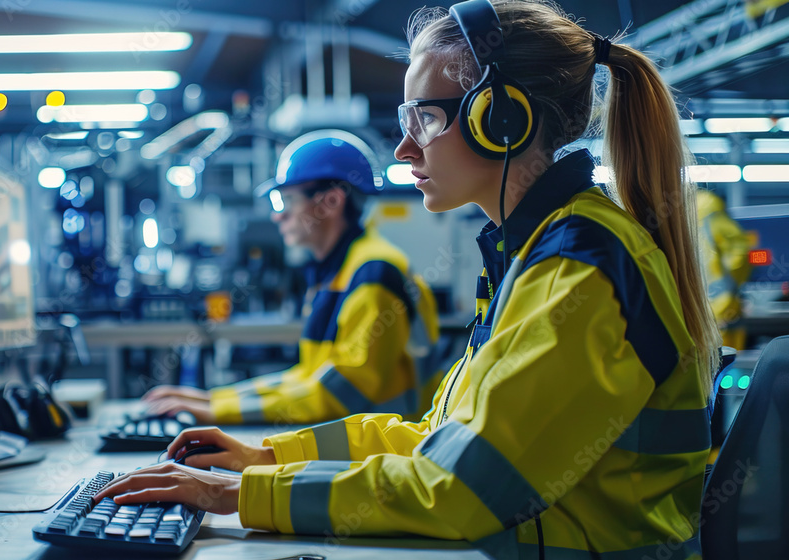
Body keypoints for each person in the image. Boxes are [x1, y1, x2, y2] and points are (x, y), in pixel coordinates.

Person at [96, 1, 720, 557]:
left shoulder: (578, 268)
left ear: (501, 120)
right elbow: (434, 439)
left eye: (423, 118)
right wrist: (265, 459)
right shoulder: (536, 252)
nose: (403, 148)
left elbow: (461, 488)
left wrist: (242, 494)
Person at [142, 130, 442, 425]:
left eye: (285, 201)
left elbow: (337, 396)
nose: (277, 216)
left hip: (391, 452)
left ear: (332, 202)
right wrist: (209, 400)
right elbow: (308, 376)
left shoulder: (374, 273)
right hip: (367, 446)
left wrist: (216, 413)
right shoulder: (339, 272)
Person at [697, 189, 752, 349]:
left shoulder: (696, 209)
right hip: (720, 303)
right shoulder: (708, 206)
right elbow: (740, 249)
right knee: (726, 361)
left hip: (703, 303)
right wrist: (732, 283)